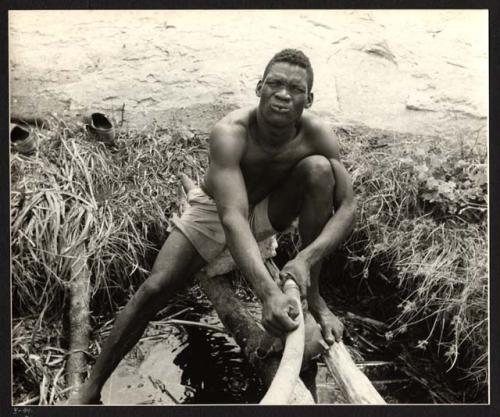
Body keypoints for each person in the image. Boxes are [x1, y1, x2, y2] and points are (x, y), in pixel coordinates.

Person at [69, 48, 356, 404]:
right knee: (156, 287)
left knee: (319, 170)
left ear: (309, 99)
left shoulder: (317, 135)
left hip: (266, 212)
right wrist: (267, 294)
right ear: (258, 88)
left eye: (295, 89)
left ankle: (316, 303)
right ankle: (90, 389)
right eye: (275, 84)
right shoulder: (230, 132)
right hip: (214, 209)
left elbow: (347, 206)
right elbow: (231, 216)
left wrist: (306, 259)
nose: (283, 94)